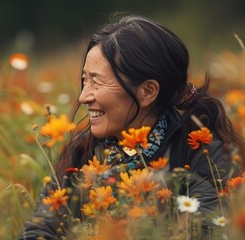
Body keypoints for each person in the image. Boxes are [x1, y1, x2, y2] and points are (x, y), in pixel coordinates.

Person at [19, 15, 245, 239]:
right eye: (85, 79)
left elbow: (207, 230)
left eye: (97, 82)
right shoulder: (83, 152)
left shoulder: (201, 154)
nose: (83, 96)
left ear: (147, 91)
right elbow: (39, 231)